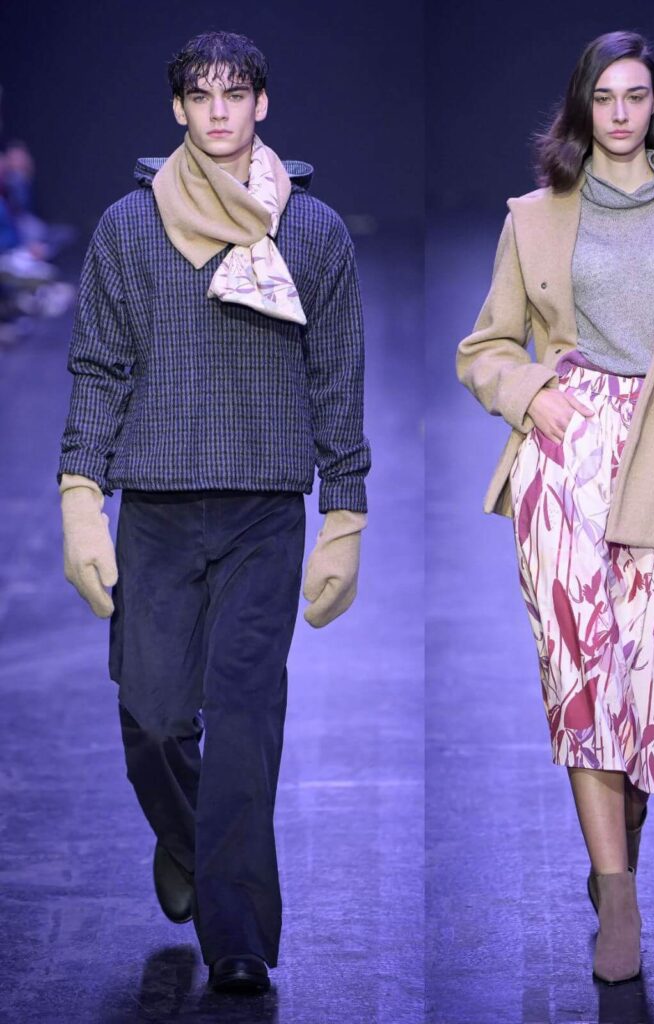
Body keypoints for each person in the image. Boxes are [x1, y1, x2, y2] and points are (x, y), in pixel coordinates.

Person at [57, 30, 371, 995]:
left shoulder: (312, 233)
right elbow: (99, 368)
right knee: (154, 723)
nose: (220, 109)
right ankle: (190, 843)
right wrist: (79, 491)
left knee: (243, 723)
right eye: (202, 94)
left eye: (236, 92)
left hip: (263, 511)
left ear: (261, 104)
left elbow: (336, 380)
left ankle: (237, 935)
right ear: (179, 110)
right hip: (154, 509)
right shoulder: (128, 228)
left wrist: (344, 514)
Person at [455, 30, 654, 985]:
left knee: (653, 695)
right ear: (581, 106)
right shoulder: (535, 216)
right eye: (604, 97)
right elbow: (484, 346)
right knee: (581, 683)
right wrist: (529, 394)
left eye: (635, 95)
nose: (619, 113)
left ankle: (618, 837)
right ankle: (617, 896)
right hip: (565, 455)